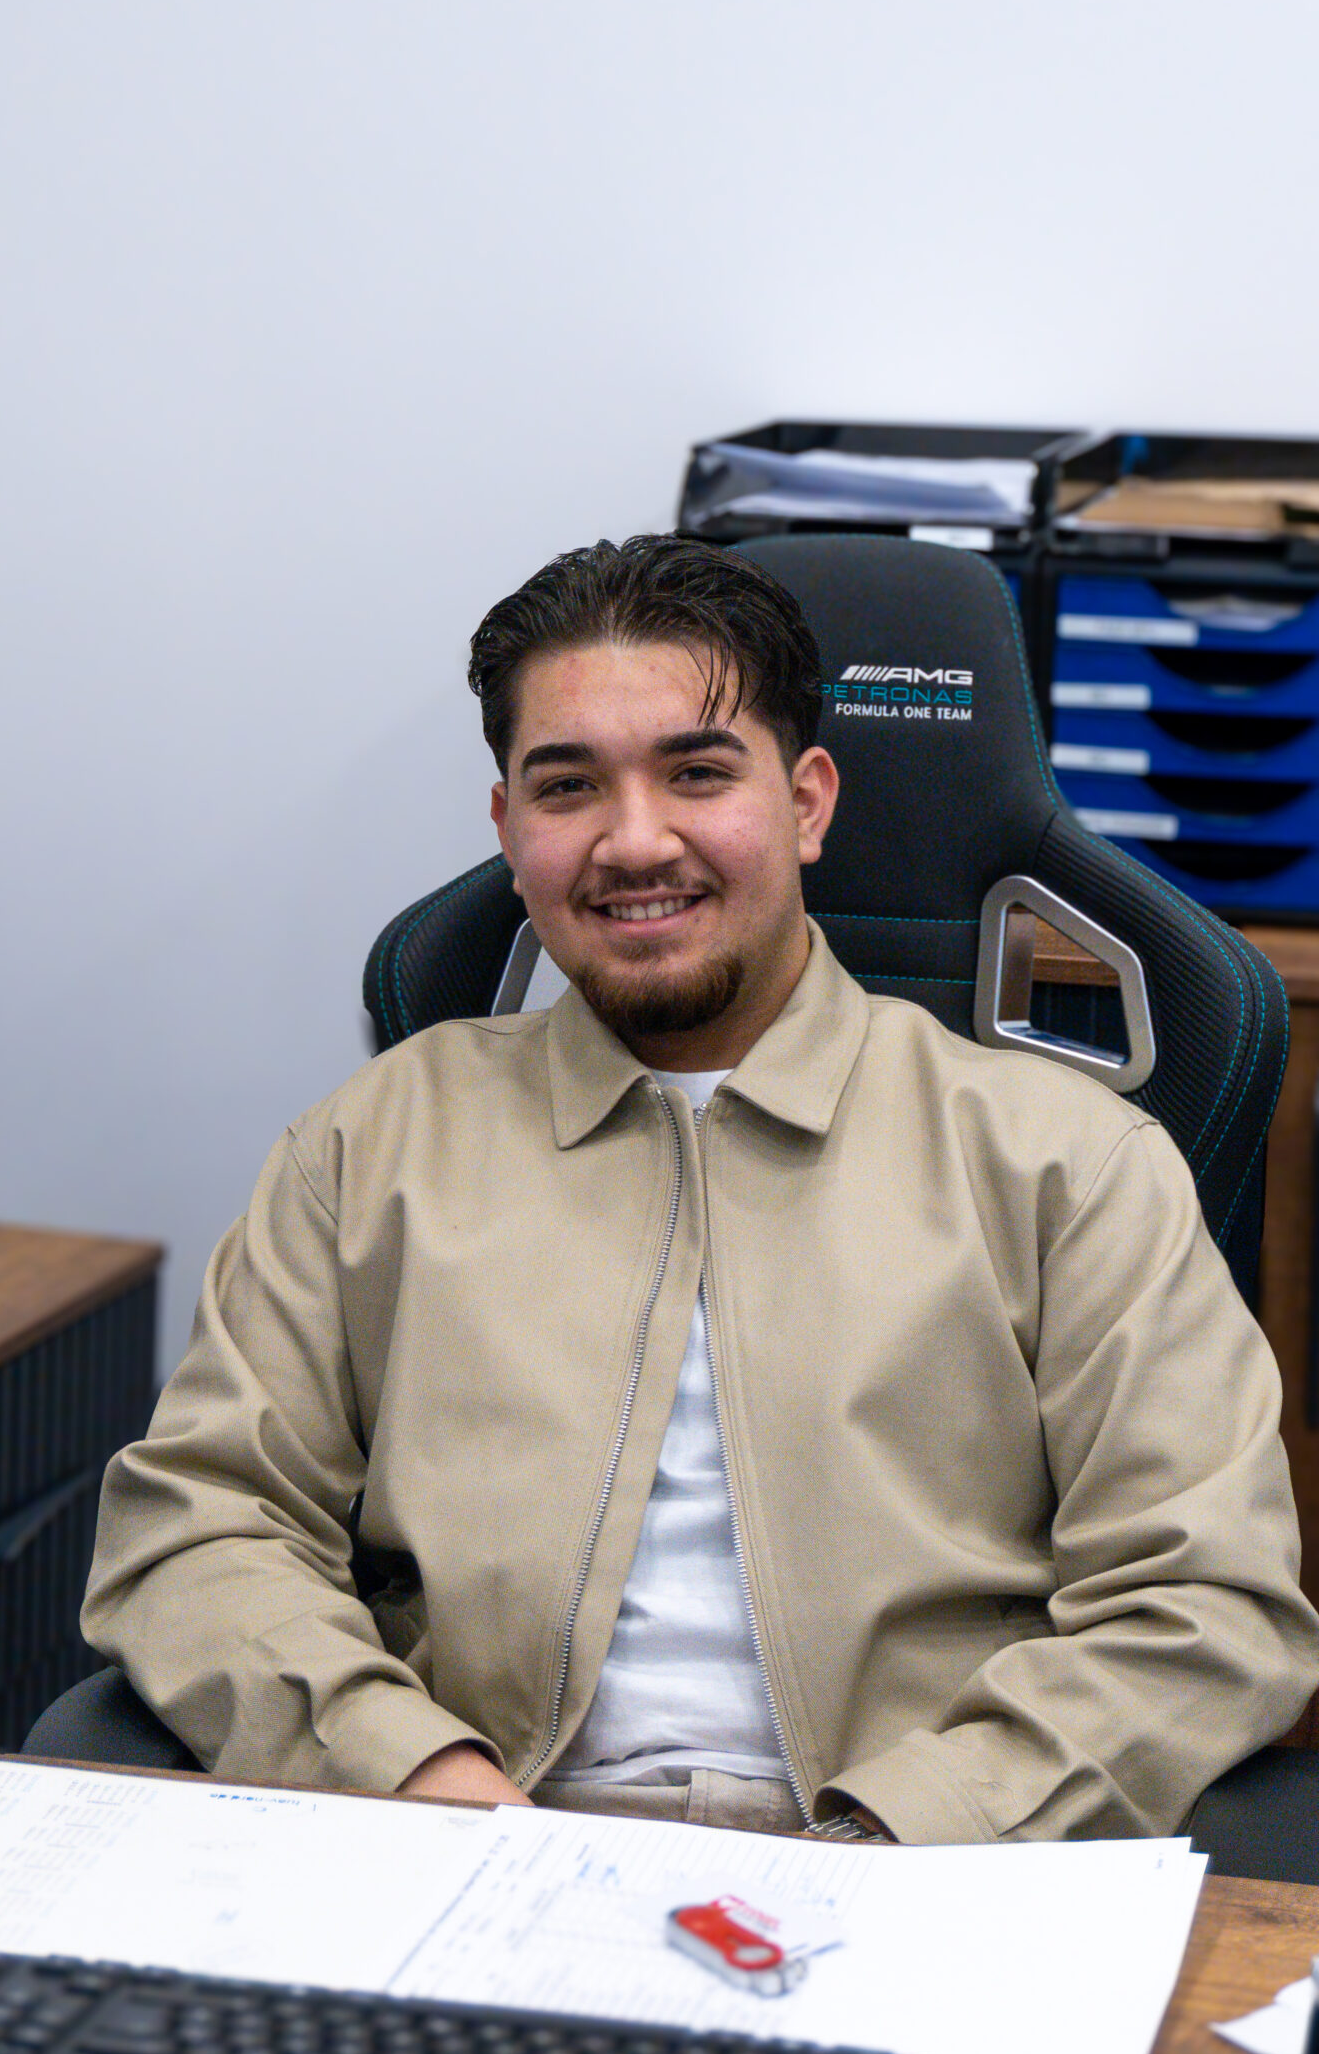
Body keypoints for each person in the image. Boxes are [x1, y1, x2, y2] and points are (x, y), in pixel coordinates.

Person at [82, 535, 1319, 1844]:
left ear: (808, 802)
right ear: (509, 831)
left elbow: (1206, 1608)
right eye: (569, 786)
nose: (635, 840)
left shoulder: (1068, 1164)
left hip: (921, 1856)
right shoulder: (370, 1145)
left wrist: (907, 1836)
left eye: (698, 772)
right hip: (470, 1833)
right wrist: (413, 1776)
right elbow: (199, 1531)